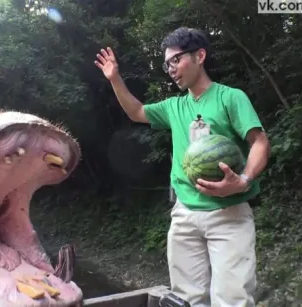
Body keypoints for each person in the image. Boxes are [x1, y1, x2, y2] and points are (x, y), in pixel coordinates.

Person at [94, 27, 271, 307]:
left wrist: (244, 180)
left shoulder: (230, 97)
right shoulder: (173, 106)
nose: (171, 69)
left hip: (229, 213)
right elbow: (136, 112)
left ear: (200, 56)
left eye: (176, 60)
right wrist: (115, 79)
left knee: (233, 300)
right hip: (184, 214)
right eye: (167, 64)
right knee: (186, 301)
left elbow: (259, 142)